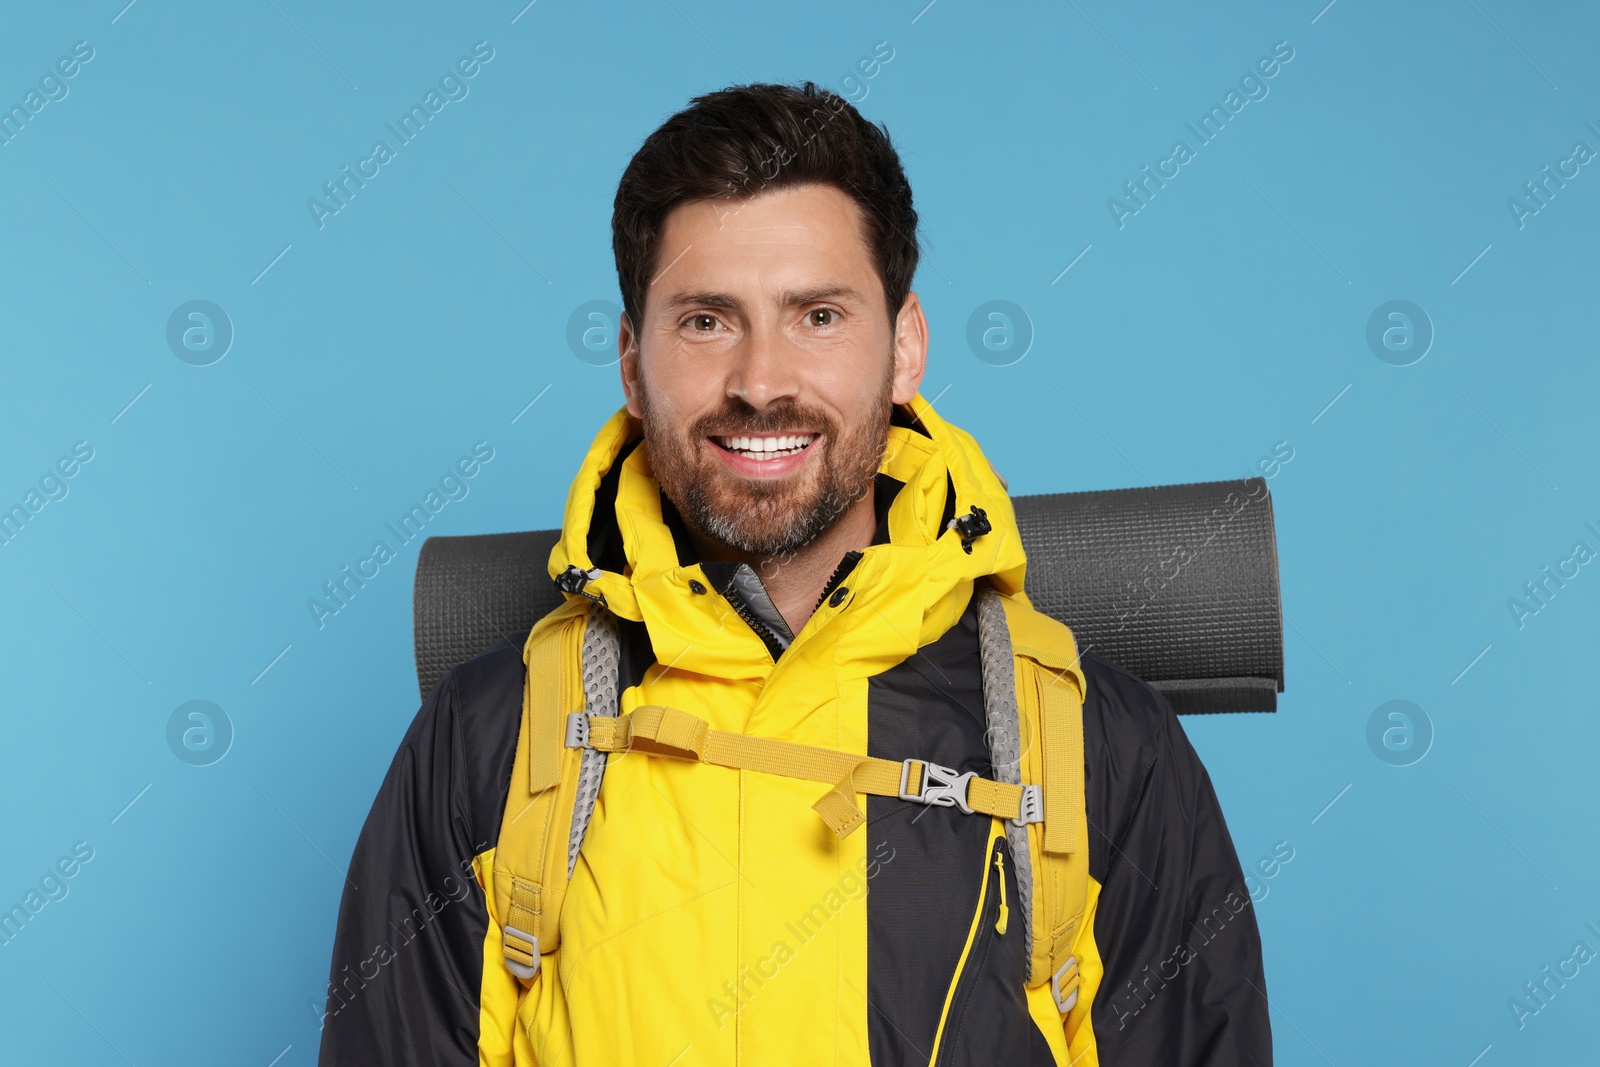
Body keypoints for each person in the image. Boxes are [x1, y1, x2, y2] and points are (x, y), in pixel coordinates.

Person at [317, 81, 1271, 1066]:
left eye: (817, 314)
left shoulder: (1101, 749)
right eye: (704, 320)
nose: (760, 379)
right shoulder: (486, 744)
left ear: (903, 347)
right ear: (632, 365)